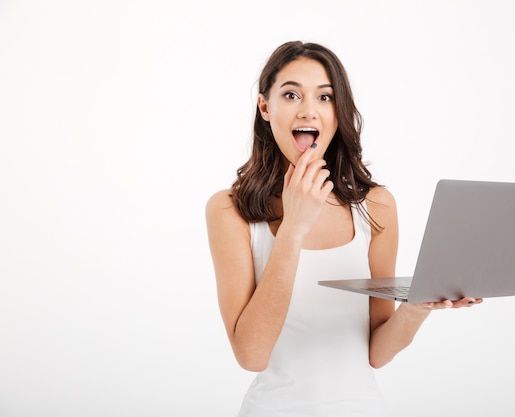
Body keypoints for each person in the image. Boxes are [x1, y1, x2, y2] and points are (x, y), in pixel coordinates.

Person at [205, 40, 482, 416]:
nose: (309, 111)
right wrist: (294, 227)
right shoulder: (230, 210)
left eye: (325, 97)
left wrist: (418, 306)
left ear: (340, 112)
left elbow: (376, 352)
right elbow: (251, 355)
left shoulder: (377, 206)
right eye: (291, 94)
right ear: (265, 108)